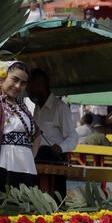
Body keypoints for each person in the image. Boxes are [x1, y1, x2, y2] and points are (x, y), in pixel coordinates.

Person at [0, 61, 40, 191]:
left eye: (23, 83)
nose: (18, 86)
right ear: (3, 76)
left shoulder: (23, 107)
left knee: (25, 208)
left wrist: (29, 156)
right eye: (15, 79)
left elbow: (37, 135)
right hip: (4, 164)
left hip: (26, 167)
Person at [27, 68, 78, 199]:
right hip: (37, 158)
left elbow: (73, 136)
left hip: (54, 159)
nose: (31, 91)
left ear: (44, 85)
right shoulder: (37, 108)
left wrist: (60, 147)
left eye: (34, 87)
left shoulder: (60, 107)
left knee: (53, 199)